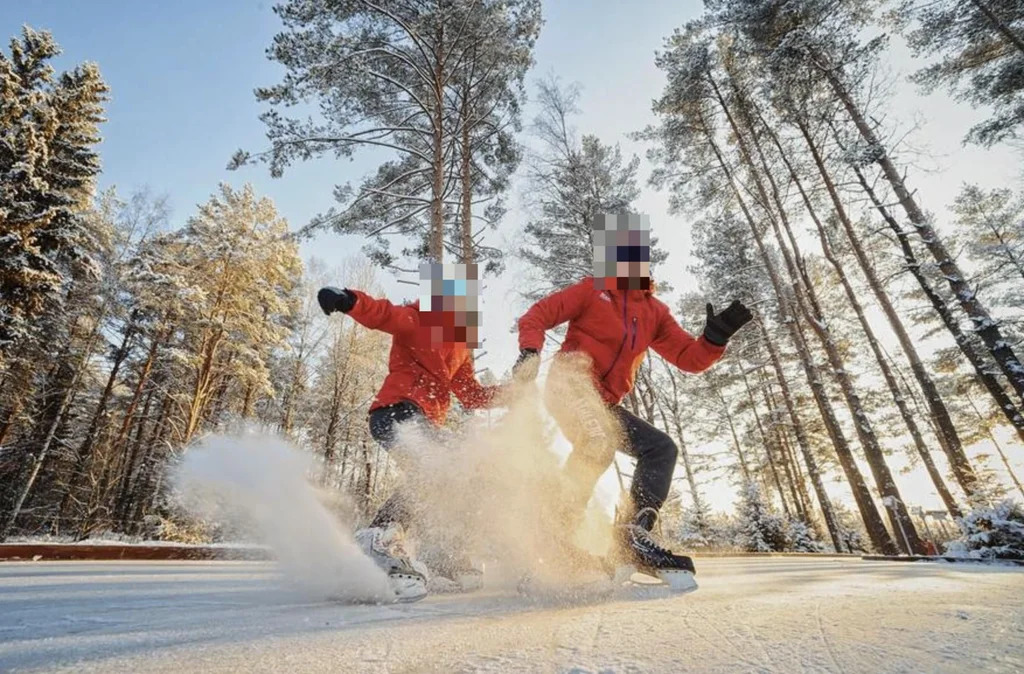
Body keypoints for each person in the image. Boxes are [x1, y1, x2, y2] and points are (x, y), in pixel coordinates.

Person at [514, 213, 752, 587]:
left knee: (661, 449)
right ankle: (554, 536)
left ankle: (630, 537)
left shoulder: (654, 311)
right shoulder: (591, 291)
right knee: (597, 441)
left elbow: (689, 359)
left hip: (604, 402)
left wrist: (714, 339)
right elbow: (537, 315)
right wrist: (530, 350)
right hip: (570, 384)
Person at [318, 262, 497, 602]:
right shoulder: (417, 319)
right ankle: (379, 537)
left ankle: (438, 557)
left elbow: (471, 394)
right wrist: (347, 300)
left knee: (447, 478)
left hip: (424, 422)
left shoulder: (461, 345)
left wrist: (513, 392)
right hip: (396, 411)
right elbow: (383, 314)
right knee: (443, 467)